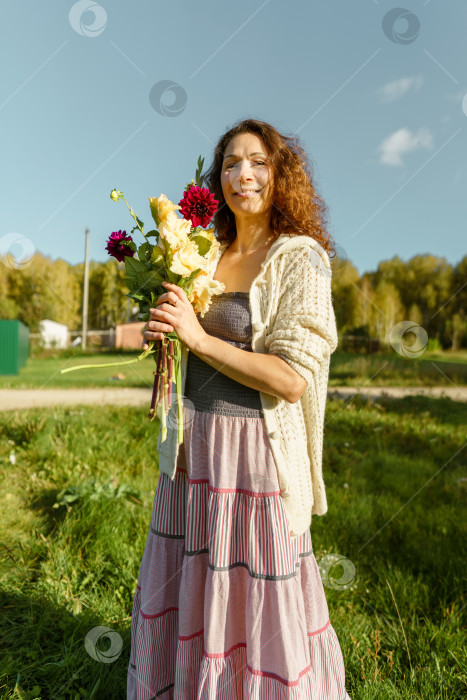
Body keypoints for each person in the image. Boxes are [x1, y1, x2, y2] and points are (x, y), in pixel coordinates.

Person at [127, 118, 351, 698]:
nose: (242, 174)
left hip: (254, 461)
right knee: (192, 582)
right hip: (191, 451)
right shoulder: (203, 252)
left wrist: (201, 340)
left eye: (257, 162)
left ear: (280, 175)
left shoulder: (299, 259)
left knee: (254, 593)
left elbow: (292, 379)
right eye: (229, 163)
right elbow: (190, 347)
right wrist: (169, 337)